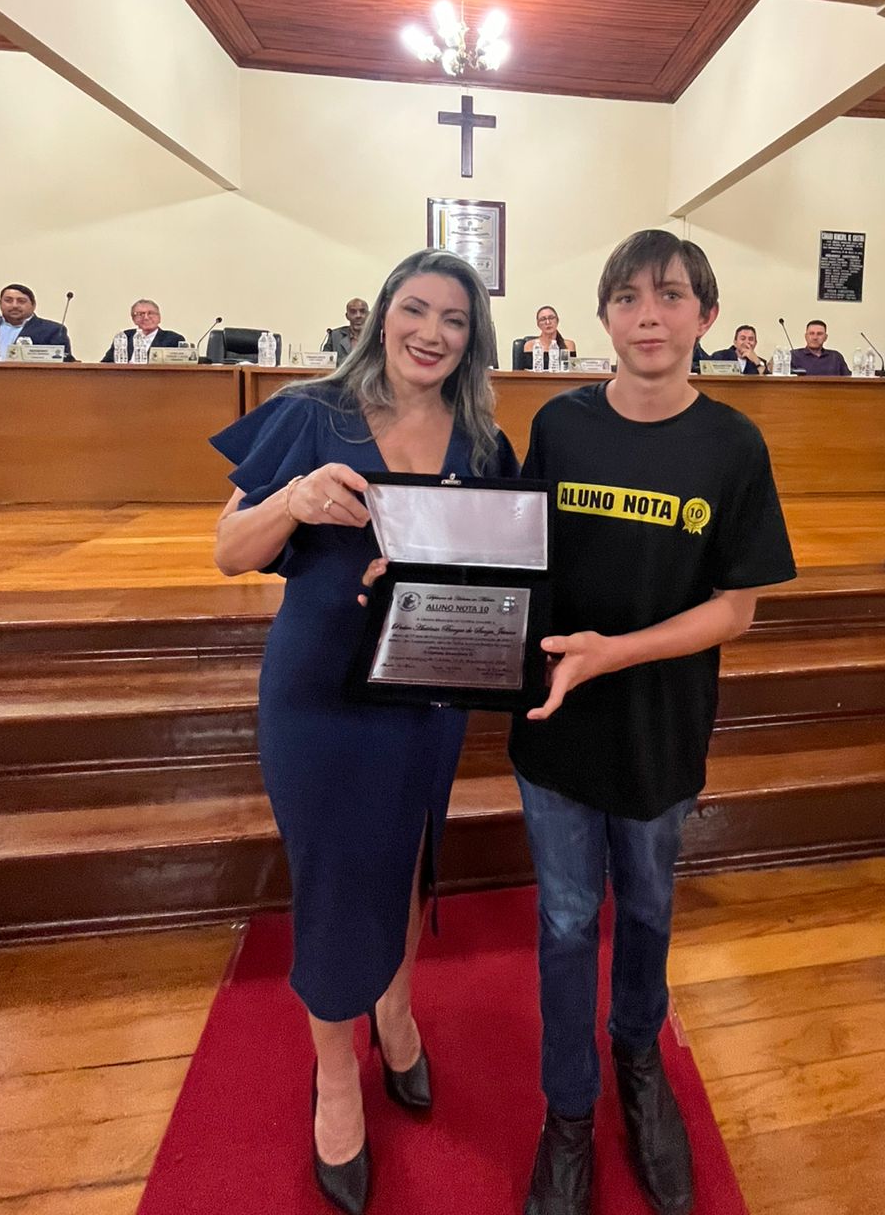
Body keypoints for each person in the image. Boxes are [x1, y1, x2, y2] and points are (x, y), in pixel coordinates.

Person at [210, 250, 517, 1215]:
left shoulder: (483, 439)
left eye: (455, 320)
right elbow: (228, 552)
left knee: (411, 854)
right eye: (415, 309)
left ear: (473, 339)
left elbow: (501, 574)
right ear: (383, 314)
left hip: (427, 687)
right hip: (319, 694)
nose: (432, 332)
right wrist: (291, 500)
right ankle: (335, 1071)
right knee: (336, 874)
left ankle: (396, 1008)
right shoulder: (310, 413)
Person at [508, 230, 796, 1215]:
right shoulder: (560, 425)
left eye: (671, 296)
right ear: (603, 316)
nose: (648, 316)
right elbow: (515, 553)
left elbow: (736, 608)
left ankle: (638, 1059)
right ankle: (568, 1111)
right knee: (563, 920)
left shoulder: (733, 444)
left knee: (646, 905)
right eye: (627, 297)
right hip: (556, 720)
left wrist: (616, 652)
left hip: (661, 724)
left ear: (706, 316)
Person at [0, 284, 75, 361]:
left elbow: (64, 361)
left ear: (33, 305)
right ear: (0, 303)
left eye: (21, 301)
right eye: (8, 300)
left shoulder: (52, 330)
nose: (14, 305)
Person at [99, 299, 186, 362]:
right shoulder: (124, 336)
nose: (146, 318)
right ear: (133, 319)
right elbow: (106, 363)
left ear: (159, 318)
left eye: (150, 313)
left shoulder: (173, 339)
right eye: (140, 314)